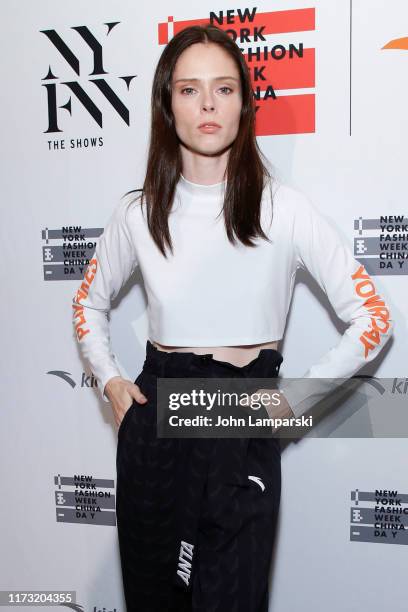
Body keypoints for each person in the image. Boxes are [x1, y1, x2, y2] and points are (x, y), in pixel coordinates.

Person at [71, 24, 394, 612]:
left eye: (223, 88)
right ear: (167, 104)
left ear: (245, 103)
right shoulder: (138, 213)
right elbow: (87, 303)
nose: (208, 104)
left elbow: (372, 315)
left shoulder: (284, 208)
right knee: (155, 601)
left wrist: (295, 396)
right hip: (159, 419)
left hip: (241, 417)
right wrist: (112, 380)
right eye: (190, 90)